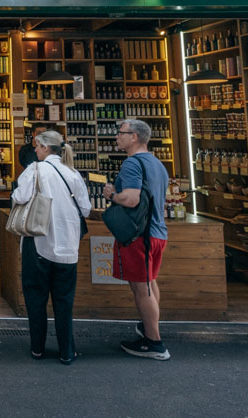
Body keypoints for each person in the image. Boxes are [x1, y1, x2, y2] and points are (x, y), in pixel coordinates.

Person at [12, 130, 91, 365]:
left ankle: (37, 348)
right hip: (68, 247)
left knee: (36, 298)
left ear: (46, 148)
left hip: (39, 242)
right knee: (64, 301)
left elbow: (19, 196)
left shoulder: (35, 170)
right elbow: (85, 210)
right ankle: (67, 351)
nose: (34, 150)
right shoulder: (73, 173)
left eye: (37, 146)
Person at [102, 120, 170, 361]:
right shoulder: (157, 164)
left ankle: (155, 343)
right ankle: (147, 328)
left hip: (139, 235)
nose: (117, 137)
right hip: (157, 233)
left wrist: (112, 194)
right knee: (150, 283)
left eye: (121, 133)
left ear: (134, 137)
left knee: (142, 288)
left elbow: (131, 199)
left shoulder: (132, 163)